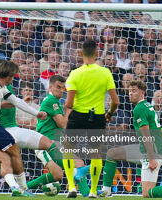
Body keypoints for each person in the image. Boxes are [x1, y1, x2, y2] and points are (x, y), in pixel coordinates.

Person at [0, 60, 63, 196]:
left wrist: (36, 113)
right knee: (12, 153)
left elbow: (16, 101)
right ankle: (24, 188)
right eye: (13, 75)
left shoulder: (4, 87)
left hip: (1, 129)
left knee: (4, 159)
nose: (15, 78)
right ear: (7, 74)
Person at [98, 80, 162, 199]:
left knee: (147, 193)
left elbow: (146, 135)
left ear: (142, 93)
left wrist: (151, 158)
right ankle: (106, 191)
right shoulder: (146, 105)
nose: (130, 93)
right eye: (130, 91)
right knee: (112, 153)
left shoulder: (140, 109)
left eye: (134, 91)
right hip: (146, 149)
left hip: (152, 152)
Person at [63, 40, 119, 198]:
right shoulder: (105, 72)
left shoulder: (75, 73)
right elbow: (115, 101)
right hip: (98, 117)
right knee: (96, 153)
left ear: (81, 53)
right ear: (96, 53)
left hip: (78, 115)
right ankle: (93, 190)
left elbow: (68, 103)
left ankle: (72, 187)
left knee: (68, 150)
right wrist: (109, 114)